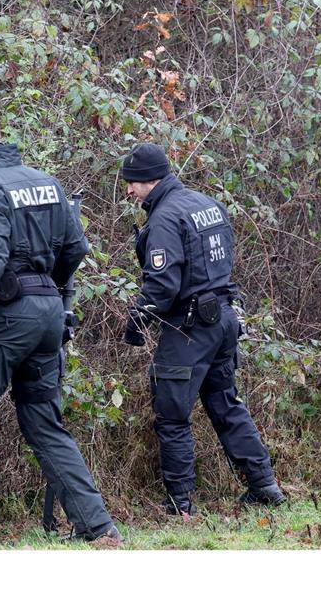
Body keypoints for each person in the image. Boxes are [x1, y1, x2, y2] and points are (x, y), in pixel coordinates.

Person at [0, 107, 120, 544]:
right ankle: (97, 527)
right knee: (43, 423)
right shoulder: (48, 184)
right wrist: (46, 289)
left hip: (4, 320)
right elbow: (76, 248)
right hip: (49, 315)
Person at [120, 143, 285, 516]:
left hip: (188, 328)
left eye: (131, 183)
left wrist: (137, 321)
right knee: (225, 403)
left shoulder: (164, 218)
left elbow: (162, 285)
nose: (128, 191)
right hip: (223, 319)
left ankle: (180, 503)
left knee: (172, 413)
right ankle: (265, 486)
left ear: (150, 179)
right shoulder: (208, 204)